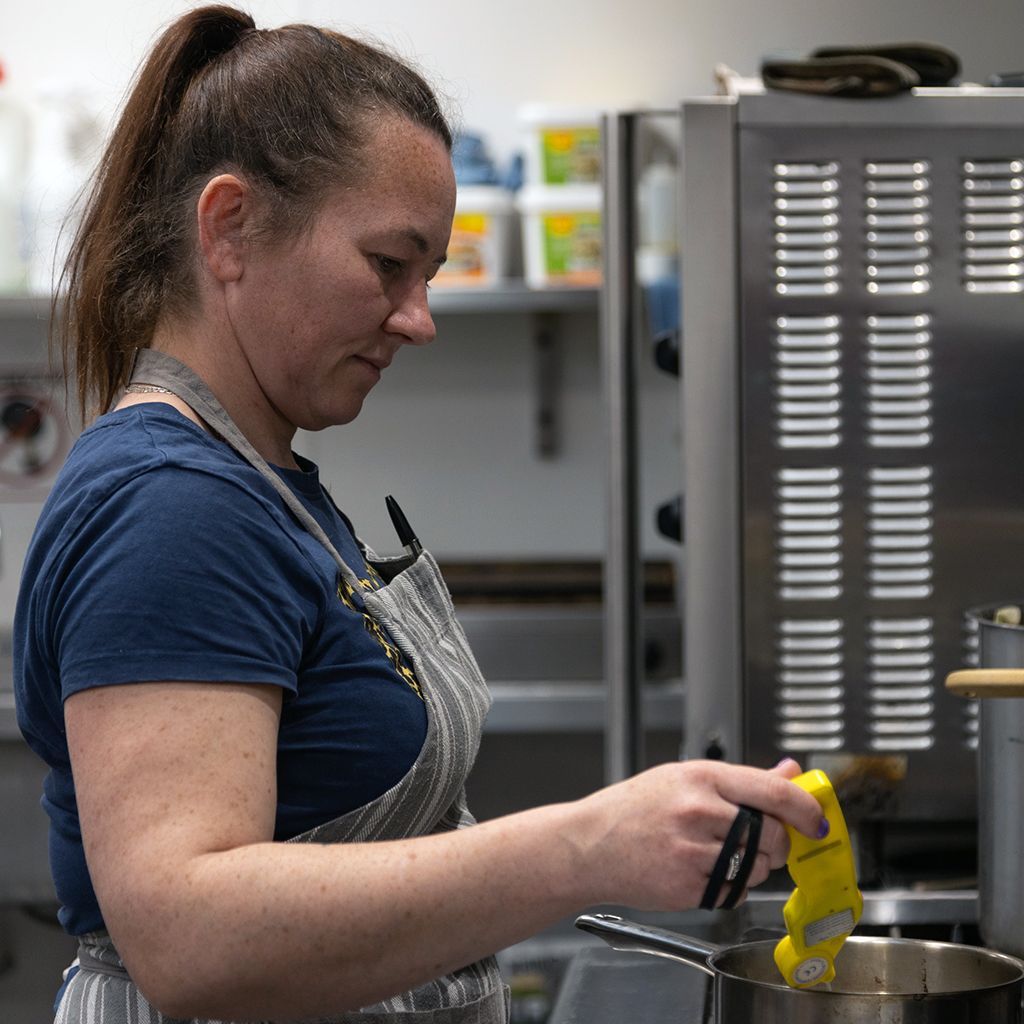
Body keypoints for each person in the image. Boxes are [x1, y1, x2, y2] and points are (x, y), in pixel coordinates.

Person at [13, 6, 828, 1024]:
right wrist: (586, 846)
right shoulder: (173, 509)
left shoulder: (262, 483)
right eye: (388, 265)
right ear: (228, 229)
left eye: (430, 275)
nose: (419, 317)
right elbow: (190, 936)